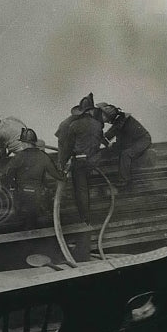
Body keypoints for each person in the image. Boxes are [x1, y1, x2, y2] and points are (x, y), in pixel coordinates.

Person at [56, 95, 103, 261]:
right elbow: (97, 142)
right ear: (90, 111)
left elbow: (67, 148)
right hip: (94, 161)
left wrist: (61, 165)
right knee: (87, 186)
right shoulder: (98, 124)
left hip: (81, 161)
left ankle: (85, 218)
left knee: (80, 190)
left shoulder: (74, 125)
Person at [1, 128, 65, 227]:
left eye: (22, 143)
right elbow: (58, 175)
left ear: (25, 144)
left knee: (25, 217)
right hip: (39, 195)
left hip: (22, 196)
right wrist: (65, 172)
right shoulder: (43, 156)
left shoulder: (19, 156)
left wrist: (9, 188)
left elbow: (6, 174)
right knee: (36, 214)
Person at [98, 103, 152, 189]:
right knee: (114, 149)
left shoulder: (120, 121)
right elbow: (110, 136)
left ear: (109, 116)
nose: (102, 117)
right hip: (132, 141)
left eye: (103, 116)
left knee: (126, 154)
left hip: (143, 140)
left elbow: (109, 135)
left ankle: (124, 180)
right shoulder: (120, 119)